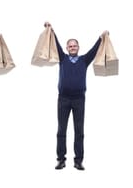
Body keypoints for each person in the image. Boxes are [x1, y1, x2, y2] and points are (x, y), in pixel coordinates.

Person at [44, 22, 107, 171]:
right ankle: (61, 159)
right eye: (70, 46)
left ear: (78, 48)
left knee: (79, 131)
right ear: (67, 48)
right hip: (63, 99)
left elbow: (94, 50)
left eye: (75, 46)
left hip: (79, 100)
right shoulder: (63, 58)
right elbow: (56, 44)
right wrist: (51, 30)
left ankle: (78, 161)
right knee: (61, 130)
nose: (72, 48)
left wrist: (101, 37)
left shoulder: (84, 60)